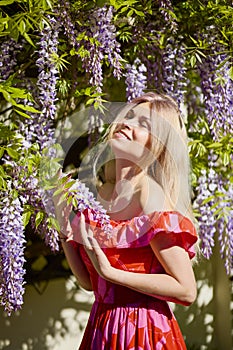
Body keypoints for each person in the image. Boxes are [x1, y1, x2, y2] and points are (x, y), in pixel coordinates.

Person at [53, 92, 198, 349]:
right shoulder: (100, 195)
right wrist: (65, 231)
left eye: (144, 125)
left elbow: (186, 289)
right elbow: (90, 283)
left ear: (158, 146)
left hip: (143, 330)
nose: (127, 123)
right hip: (102, 326)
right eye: (129, 116)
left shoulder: (152, 199)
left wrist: (112, 272)